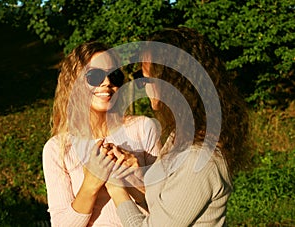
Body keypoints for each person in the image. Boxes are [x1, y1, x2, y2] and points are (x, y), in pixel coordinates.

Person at [105, 27, 250, 226]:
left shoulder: (198, 159)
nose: (143, 85)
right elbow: (166, 206)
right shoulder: (179, 138)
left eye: (147, 77)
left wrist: (116, 189)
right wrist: (135, 172)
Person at [42, 41, 160, 226]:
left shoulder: (143, 129)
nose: (107, 82)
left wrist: (135, 178)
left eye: (114, 75)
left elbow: (168, 209)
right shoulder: (57, 148)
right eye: (95, 76)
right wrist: (91, 182)